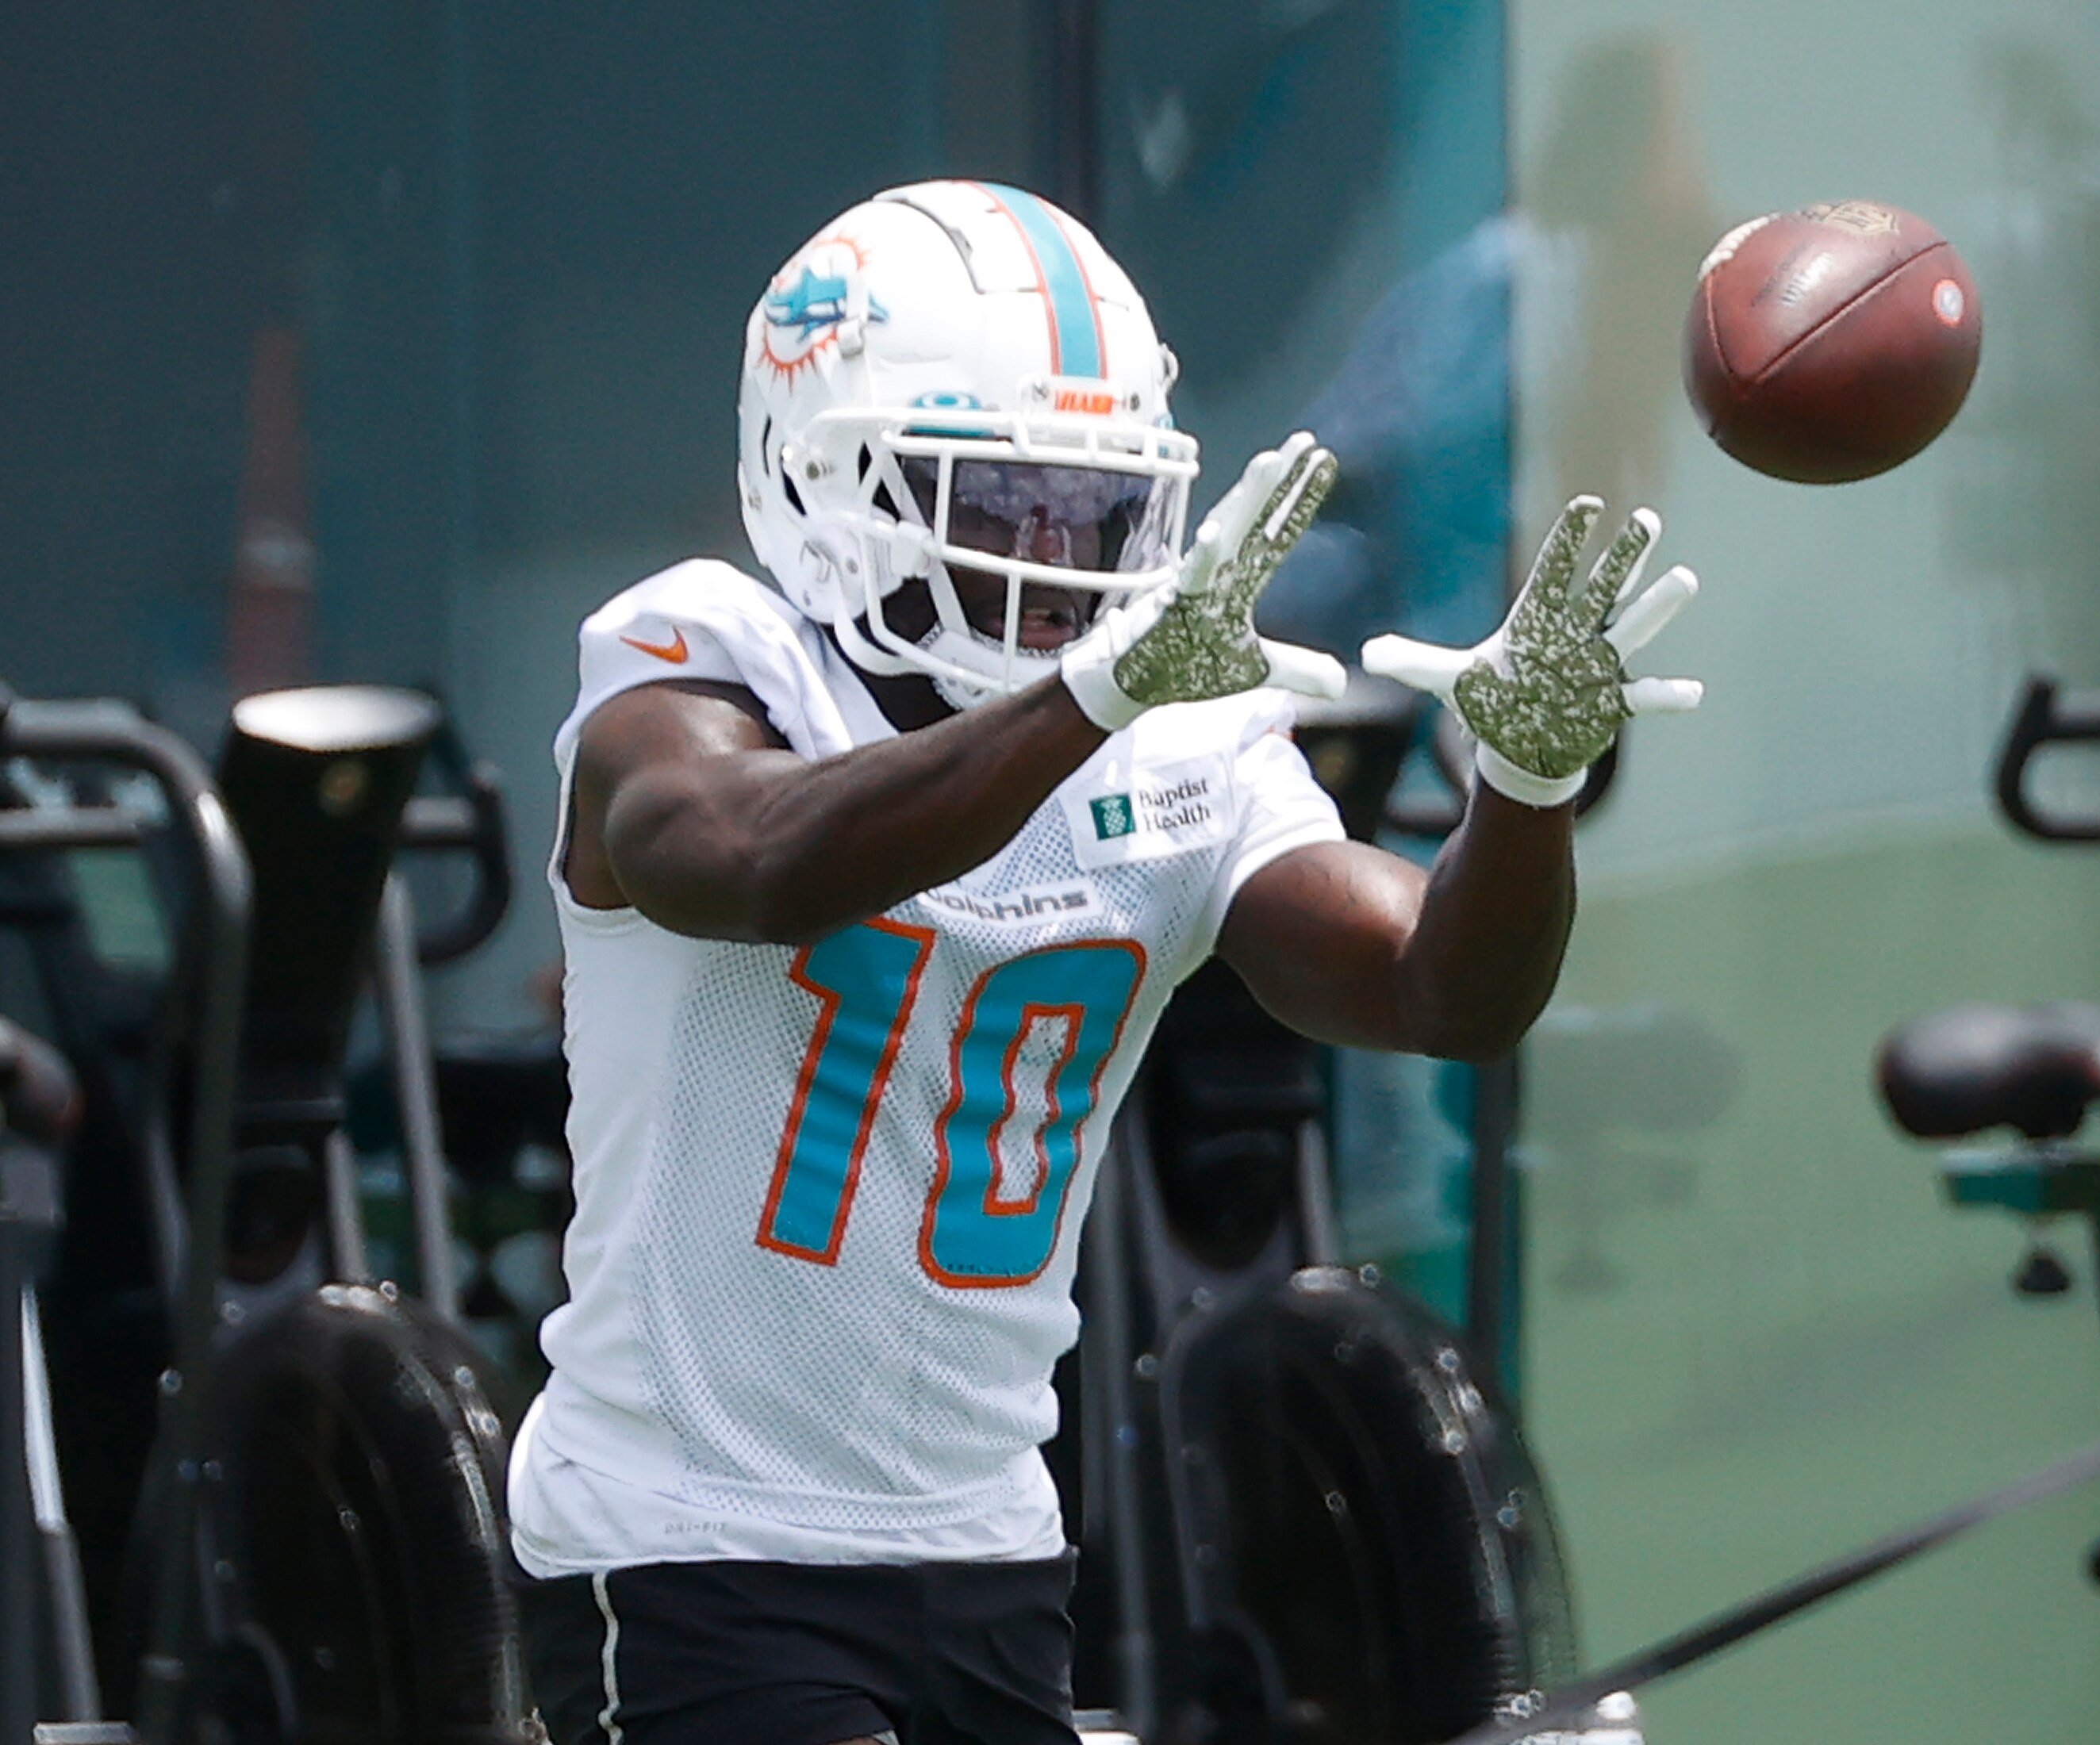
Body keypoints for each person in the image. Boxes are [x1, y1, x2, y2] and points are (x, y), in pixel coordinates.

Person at [504, 179, 1703, 1745]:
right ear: (826, 475)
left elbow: (1436, 990)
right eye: (1001, 499)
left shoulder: (1174, 725)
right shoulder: (707, 655)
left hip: (988, 1538)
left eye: (1092, 506)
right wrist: (1094, 694)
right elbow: (746, 856)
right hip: (694, 1532)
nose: (1057, 554)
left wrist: (1525, 799)